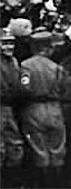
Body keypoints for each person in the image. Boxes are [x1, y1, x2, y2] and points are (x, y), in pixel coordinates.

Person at [19, 28, 70, 188]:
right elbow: (64, 89)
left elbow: (24, 89)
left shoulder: (26, 66)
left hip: (33, 108)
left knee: (39, 149)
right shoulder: (56, 67)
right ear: (48, 48)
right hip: (54, 108)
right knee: (57, 148)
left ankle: (43, 184)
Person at [1, 29, 24, 186]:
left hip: (10, 107)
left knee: (14, 146)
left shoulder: (14, 62)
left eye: (11, 43)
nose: (9, 47)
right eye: (4, 43)